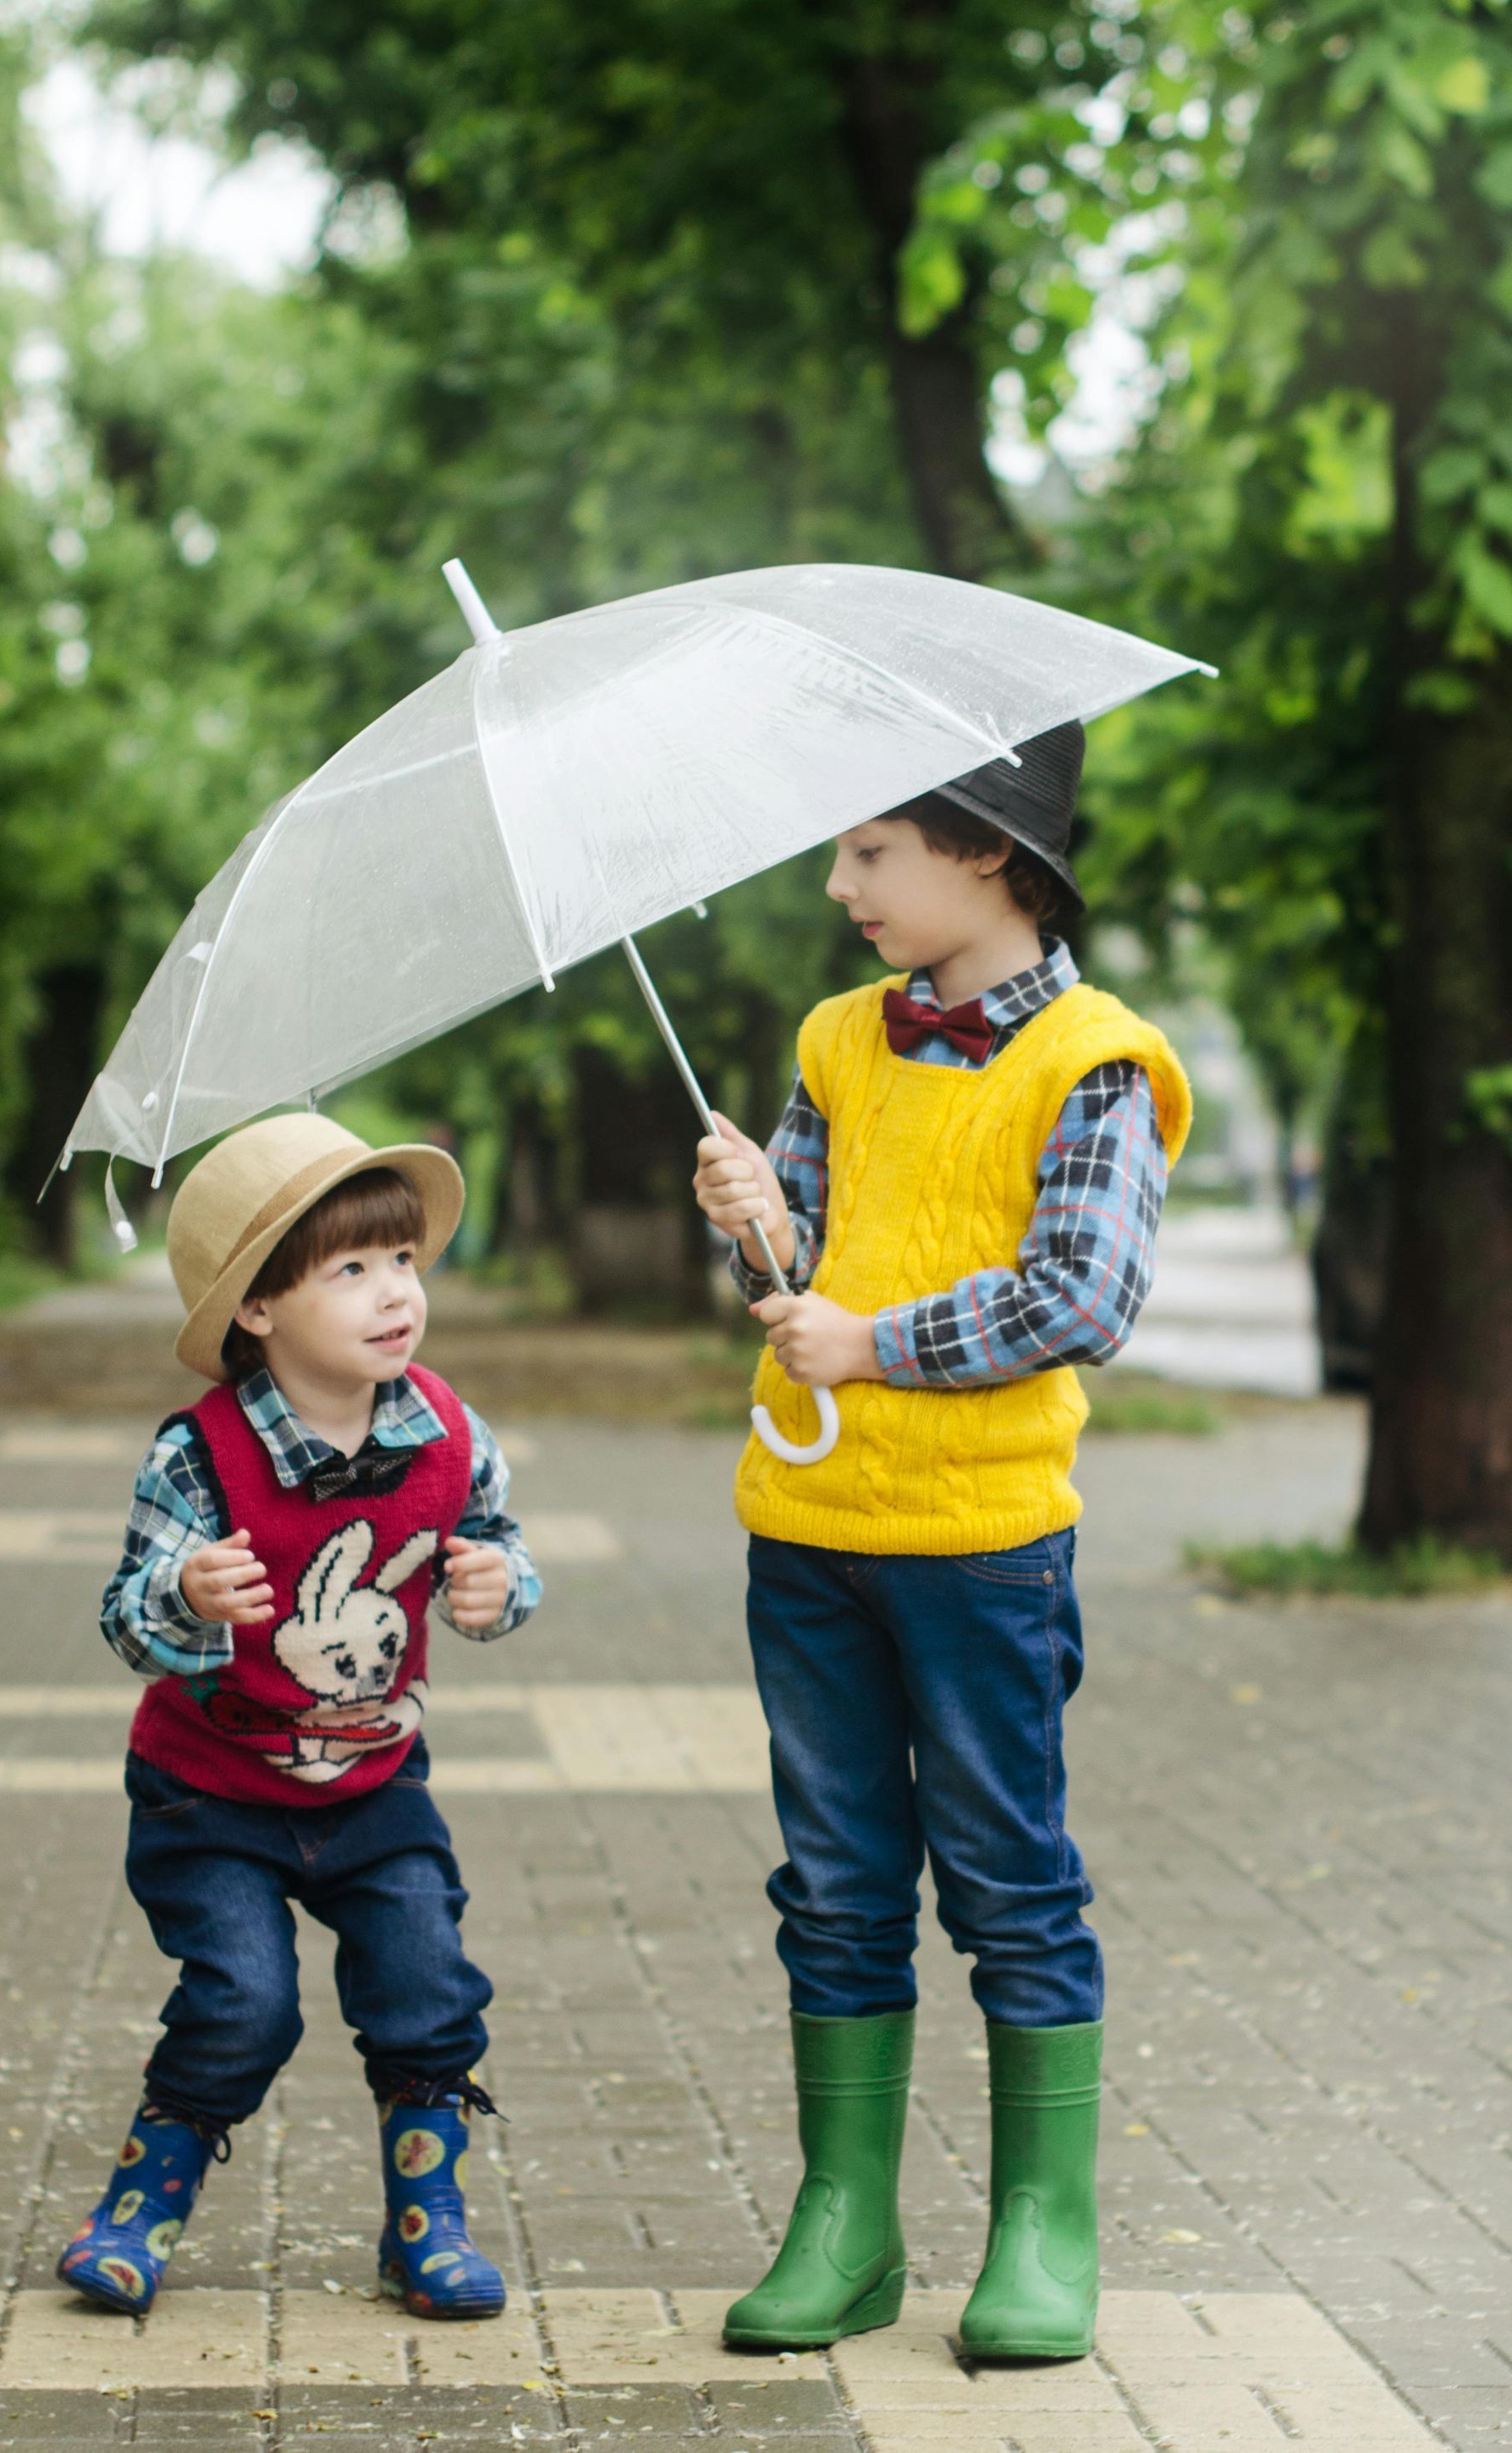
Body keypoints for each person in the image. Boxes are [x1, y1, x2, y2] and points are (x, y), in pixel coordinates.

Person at [692, 723, 1191, 2360]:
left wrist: (874, 1339)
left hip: (980, 1548)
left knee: (1008, 1884)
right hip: (811, 1530)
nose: (839, 887)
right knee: (835, 1888)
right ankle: (846, 2227)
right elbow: (801, 1284)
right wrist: (758, 1219)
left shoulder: (1099, 1062)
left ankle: (1046, 2228)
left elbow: (1084, 1299)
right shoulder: (841, 1037)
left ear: (985, 849)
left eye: (870, 852)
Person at [58, 1114, 540, 2322]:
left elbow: (497, 1549)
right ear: (260, 1310)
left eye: (405, 1263)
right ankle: (138, 2210)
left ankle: (426, 2228)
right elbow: (127, 1621)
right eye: (352, 1270)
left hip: (376, 1788)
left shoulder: (445, 1428)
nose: (396, 1294)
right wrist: (186, 1593)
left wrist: (496, 1588)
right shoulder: (199, 1457)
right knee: (243, 2002)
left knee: (429, 1985)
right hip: (208, 1792)